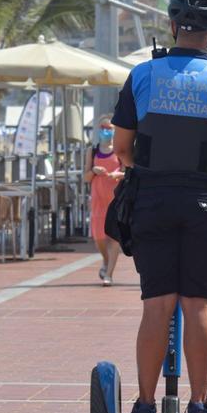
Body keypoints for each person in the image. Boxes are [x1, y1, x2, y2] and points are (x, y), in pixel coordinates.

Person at [110, 0, 207, 413]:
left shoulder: (141, 76)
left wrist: (152, 170)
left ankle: (142, 410)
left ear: (173, 27)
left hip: (152, 200)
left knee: (156, 305)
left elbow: (122, 149)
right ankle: (198, 408)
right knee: (198, 304)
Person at [84, 116, 125, 287]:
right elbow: (86, 177)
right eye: (103, 127)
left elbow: (128, 172)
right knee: (99, 237)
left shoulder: (120, 150)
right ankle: (106, 260)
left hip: (114, 198)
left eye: (109, 128)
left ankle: (109, 274)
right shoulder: (92, 150)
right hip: (98, 199)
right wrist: (93, 170)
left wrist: (118, 174)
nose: (105, 131)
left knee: (114, 238)